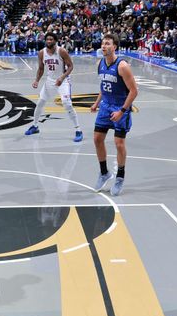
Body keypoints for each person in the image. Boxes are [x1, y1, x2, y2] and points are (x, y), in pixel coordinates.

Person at [90, 33, 138, 196]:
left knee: (119, 144)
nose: (104, 46)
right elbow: (104, 86)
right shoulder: (100, 63)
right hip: (105, 106)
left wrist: (122, 111)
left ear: (115, 47)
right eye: (103, 43)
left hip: (120, 107)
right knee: (97, 139)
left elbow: (133, 91)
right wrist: (97, 103)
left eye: (108, 43)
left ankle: (120, 177)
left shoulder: (122, 66)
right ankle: (104, 172)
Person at [25, 33, 83, 142]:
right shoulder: (41, 53)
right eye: (47, 39)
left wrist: (62, 77)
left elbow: (70, 66)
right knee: (40, 103)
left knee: (67, 104)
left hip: (63, 81)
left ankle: (78, 130)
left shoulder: (61, 51)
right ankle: (35, 126)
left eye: (51, 39)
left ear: (55, 41)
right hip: (50, 81)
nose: (49, 41)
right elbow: (41, 68)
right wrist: (36, 80)